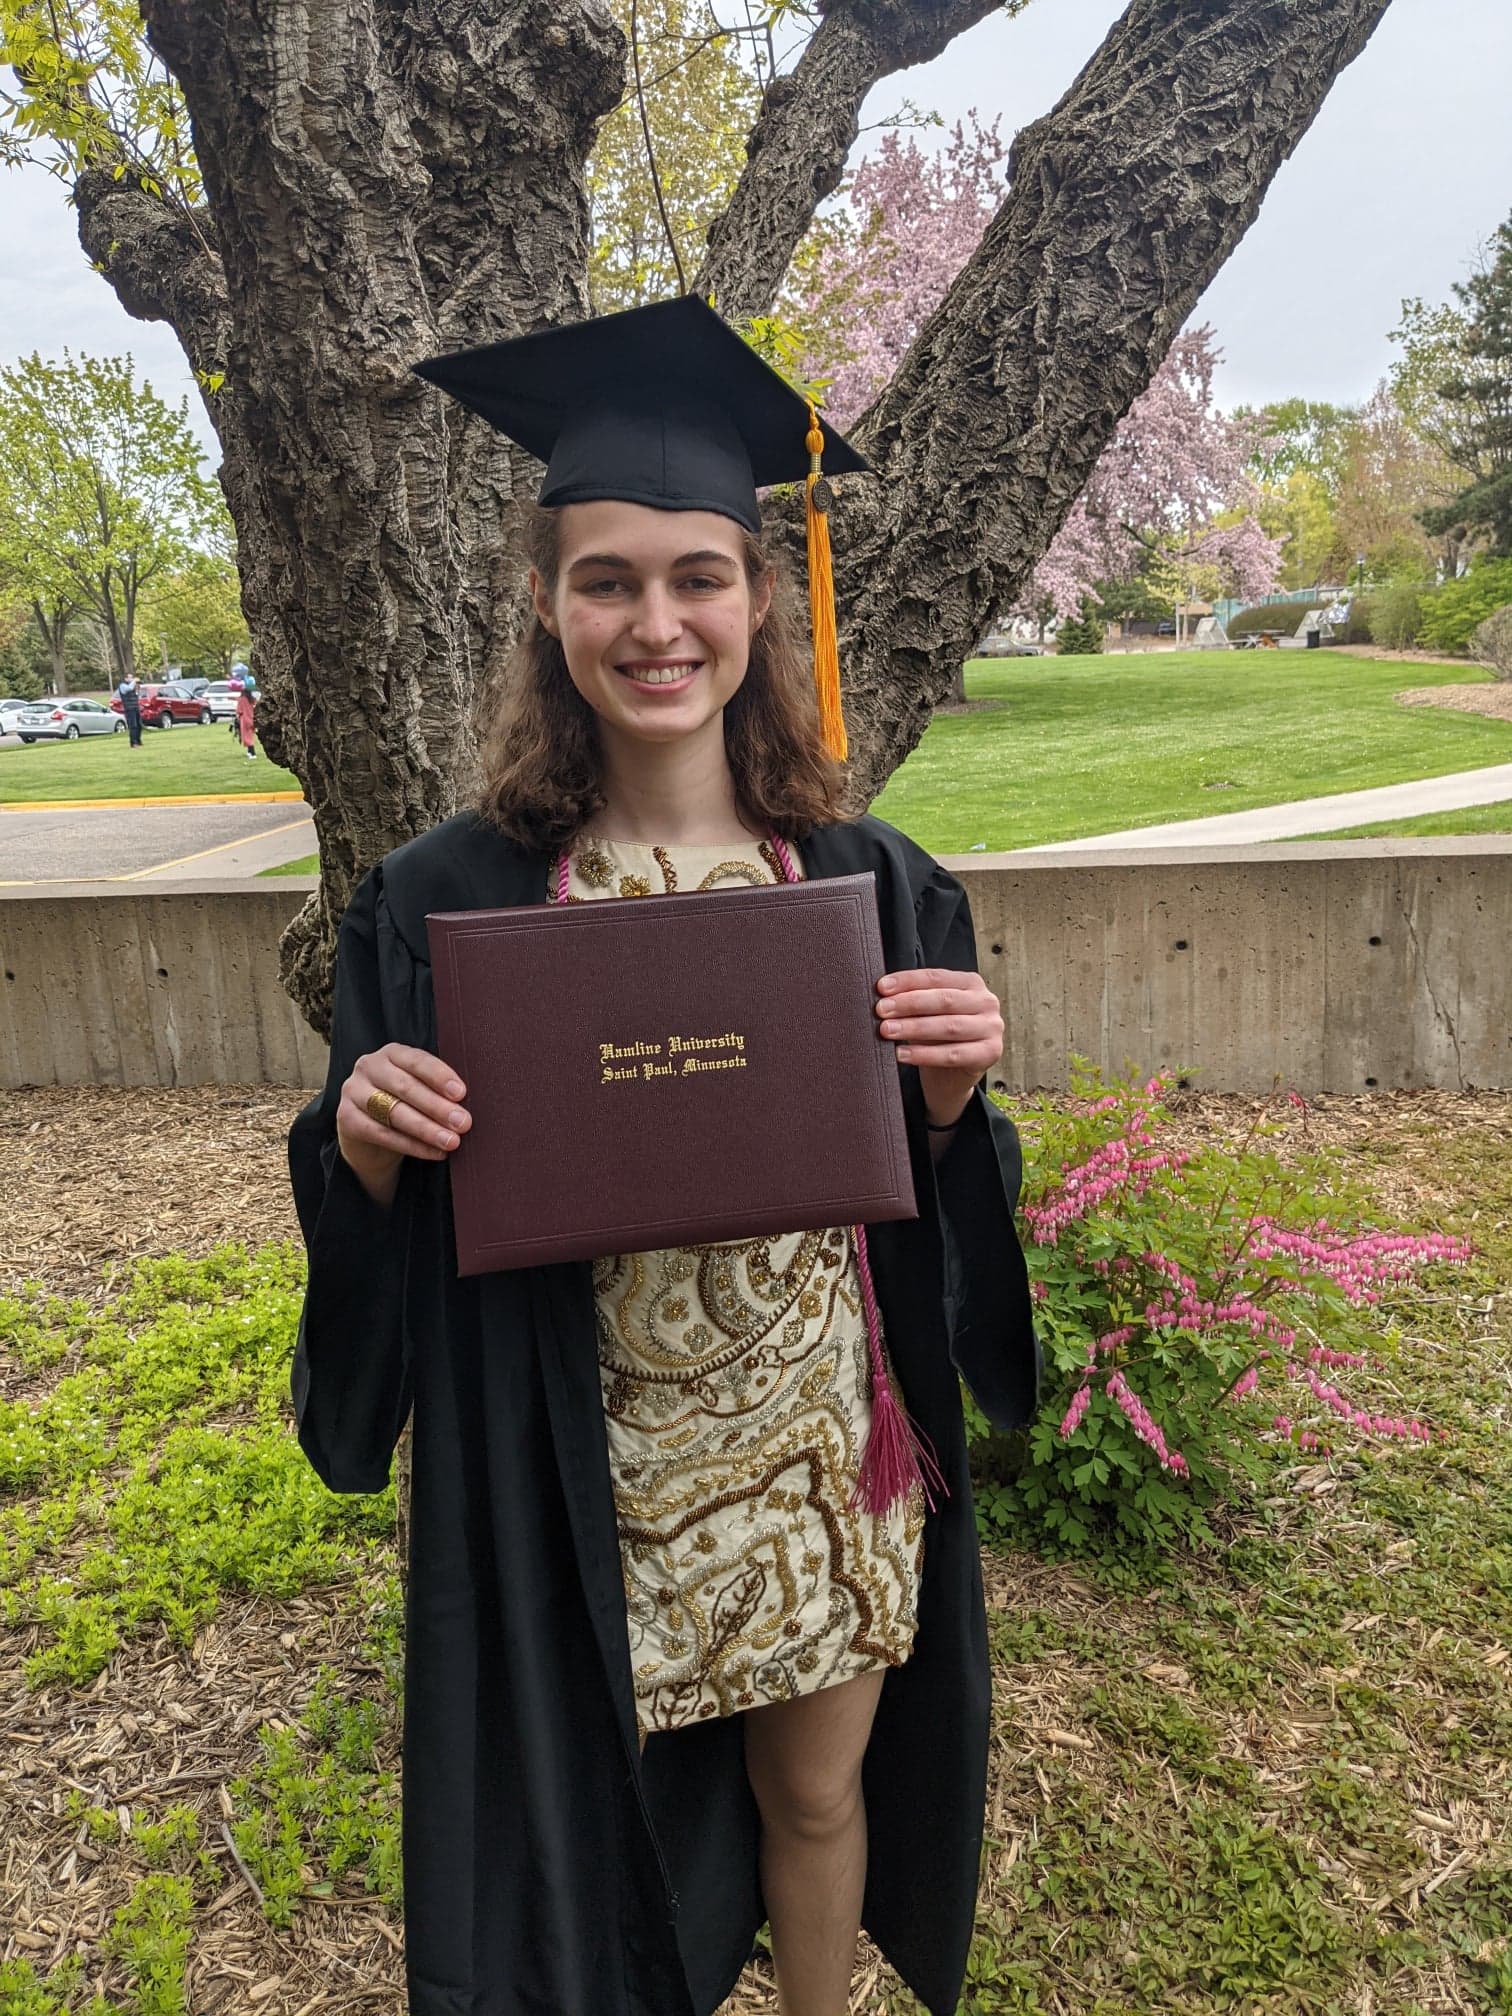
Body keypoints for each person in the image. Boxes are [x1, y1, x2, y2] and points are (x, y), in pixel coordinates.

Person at [289, 295, 1039, 2016]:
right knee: (593, 1831)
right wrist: (368, 1135)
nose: (655, 622)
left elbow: (936, 1191)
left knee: (819, 1793)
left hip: (815, 1451)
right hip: (578, 1470)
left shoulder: (874, 885)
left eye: (695, 575)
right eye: (605, 579)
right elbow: (367, 1200)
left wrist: (946, 1097)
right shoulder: (441, 901)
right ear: (544, 603)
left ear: (758, 598)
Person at [115, 671, 142, 748]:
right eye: (130, 677)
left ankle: (138, 741)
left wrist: (137, 686)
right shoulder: (122, 685)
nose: (131, 679)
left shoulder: (133, 685)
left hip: (135, 707)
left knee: (139, 725)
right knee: (133, 726)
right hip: (129, 709)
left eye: (132, 677)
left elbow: (137, 694)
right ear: (125, 678)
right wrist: (134, 681)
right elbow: (129, 689)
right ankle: (133, 743)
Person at [235, 682, 257, 759]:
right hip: (252, 719)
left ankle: (253, 753)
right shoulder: (252, 699)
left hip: (244, 720)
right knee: (250, 735)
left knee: (247, 737)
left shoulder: (241, 700)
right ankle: (249, 752)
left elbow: (239, 711)